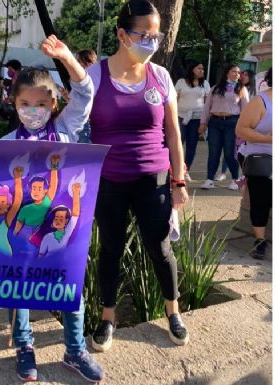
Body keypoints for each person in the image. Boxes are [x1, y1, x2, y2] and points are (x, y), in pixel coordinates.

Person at [84, 0, 190, 352]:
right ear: (121, 34)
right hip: (109, 182)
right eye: (143, 34)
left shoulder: (159, 77)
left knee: (159, 248)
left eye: (155, 35)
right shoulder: (96, 75)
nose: (150, 41)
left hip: (154, 179)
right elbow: (73, 123)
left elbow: (173, 133)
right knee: (111, 249)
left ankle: (173, 311)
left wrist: (178, 182)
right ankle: (108, 318)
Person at [1, 35, 104, 383]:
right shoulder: (3, 147)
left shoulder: (64, 132)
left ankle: (74, 350)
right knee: (20, 289)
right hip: (22, 232)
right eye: (25, 103)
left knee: (70, 286)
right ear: (13, 103)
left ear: (56, 102)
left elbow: (86, 92)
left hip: (62, 228)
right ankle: (24, 346)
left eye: (41, 104)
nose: (33, 111)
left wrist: (66, 58)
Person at [235, 67, 272, 259]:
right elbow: (241, 130)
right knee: (262, 195)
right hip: (259, 155)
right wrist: (268, 139)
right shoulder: (261, 101)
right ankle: (259, 241)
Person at [199, 64, 250, 190]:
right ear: (227, 73)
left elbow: (246, 110)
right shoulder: (216, 88)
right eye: (234, 71)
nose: (237, 74)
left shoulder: (241, 89)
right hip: (215, 123)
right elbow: (207, 106)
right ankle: (209, 179)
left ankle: (235, 179)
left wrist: (245, 128)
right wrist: (203, 123)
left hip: (232, 123)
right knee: (213, 153)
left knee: (229, 153)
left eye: (239, 72)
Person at [175, 61, 210, 180]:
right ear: (192, 69)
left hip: (196, 119)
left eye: (203, 69)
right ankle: (174, 169)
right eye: (199, 68)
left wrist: (204, 122)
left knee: (191, 146)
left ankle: (186, 170)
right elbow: (174, 99)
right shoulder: (181, 82)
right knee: (177, 144)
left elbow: (208, 103)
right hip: (180, 117)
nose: (202, 71)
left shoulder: (205, 84)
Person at [75, 49, 98, 144]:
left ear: (87, 62)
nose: (76, 65)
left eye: (78, 62)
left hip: (86, 122)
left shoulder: (89, 80)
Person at [0, 59, 23, 131]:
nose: (8, 71)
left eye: (9, 69)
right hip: (17, 112)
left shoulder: (18, 77)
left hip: (19, 113)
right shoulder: (16, 78)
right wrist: (6, 88)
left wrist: (10, 98)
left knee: (14, 131)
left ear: (15, 68)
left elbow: (16, 96)